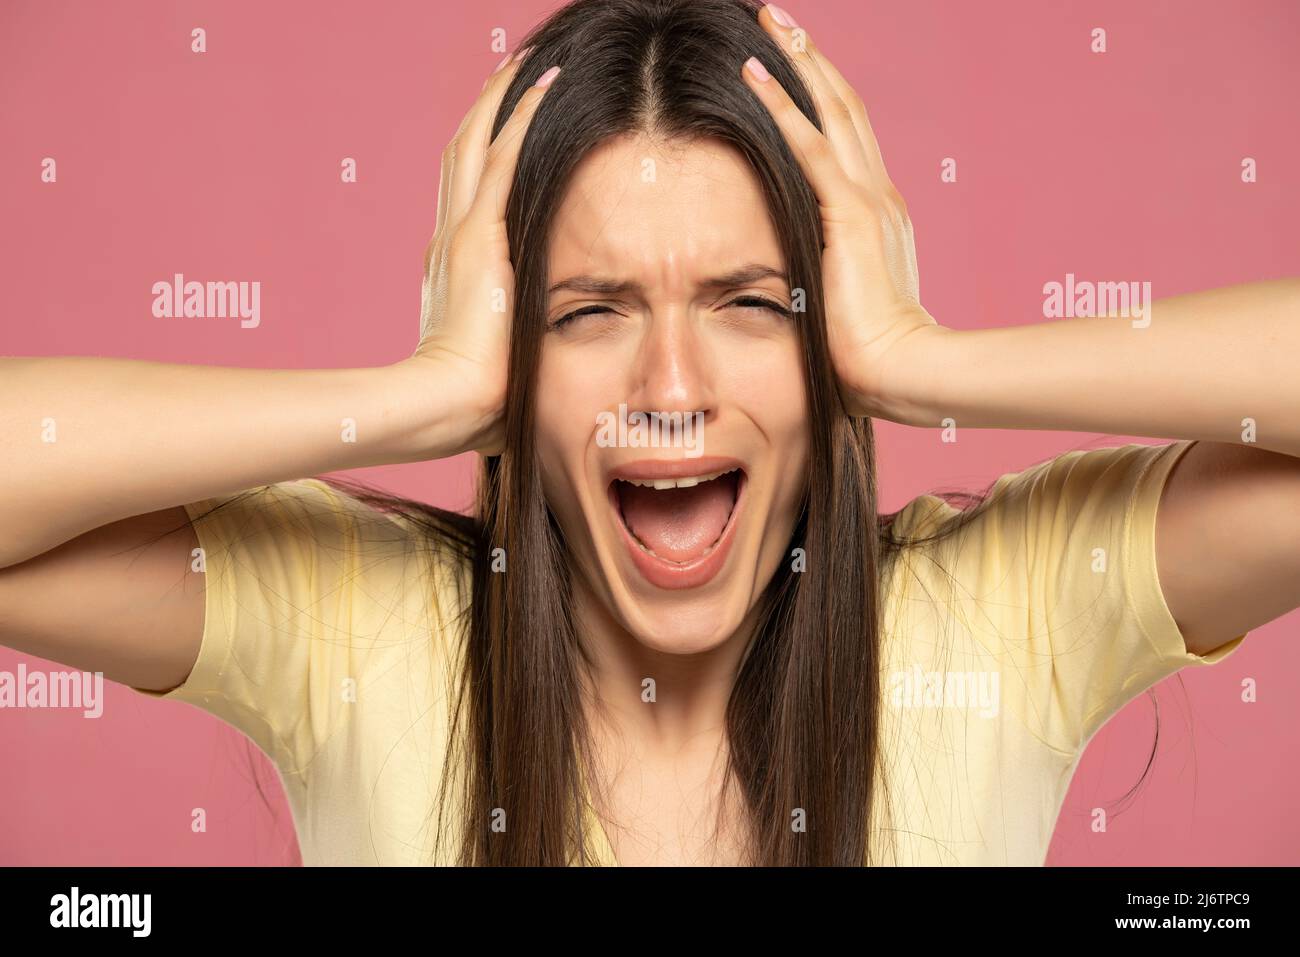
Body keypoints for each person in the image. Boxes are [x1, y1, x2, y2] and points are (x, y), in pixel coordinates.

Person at [1, 0, 1296, 866]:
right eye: (588, 312)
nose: (668, 379)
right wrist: (431, 387)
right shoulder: (364, 628)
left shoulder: (1002, 614)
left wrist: (929, 359)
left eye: (747, 302)